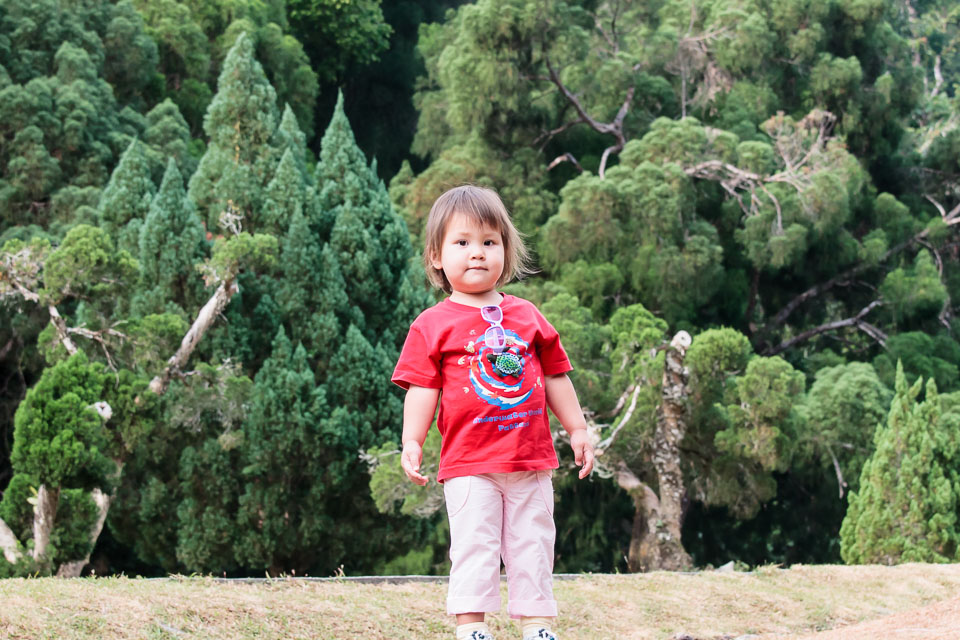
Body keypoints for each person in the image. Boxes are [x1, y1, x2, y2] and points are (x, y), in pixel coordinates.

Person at [392, 185, 595, 640]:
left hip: (530, 461)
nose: (478, 253)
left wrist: (578, 429)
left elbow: (556, 376)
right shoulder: (431, 324)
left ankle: (537, 626)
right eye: (462, 242)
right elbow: (422, 389)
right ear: (437, 256)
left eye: (489, 241)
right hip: (469, 465)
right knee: (474, 546)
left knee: (534, 544)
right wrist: (412, 440)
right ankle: (472, 628)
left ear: (506, 249)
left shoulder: (528, 315)